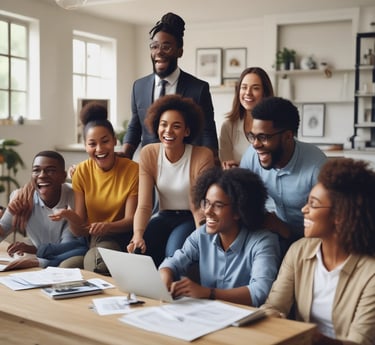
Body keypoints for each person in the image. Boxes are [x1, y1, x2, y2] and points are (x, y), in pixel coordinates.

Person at [261, 158, 375, 345]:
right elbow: (273, 305)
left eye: (313, 204)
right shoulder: (299, 250)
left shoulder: (370, 273)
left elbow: (360, 341)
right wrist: (274, 321)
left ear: (340, 215)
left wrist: (307, 337)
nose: (304, 209)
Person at [159, 167, 281, 307]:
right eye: (206, 203)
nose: (207, 212)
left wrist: (209, 293)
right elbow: (172, 263)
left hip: (246, 320)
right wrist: (165, 277)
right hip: (208, 315)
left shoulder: (263, 242)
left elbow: (260, 292)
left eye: (218, 205)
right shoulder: (202, 235)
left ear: (238, 210)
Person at [127, 94, 215, 267]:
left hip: (189, 218)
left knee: (173, 255)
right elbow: (144, 206)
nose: (168, 131)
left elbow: (200, 206)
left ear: (187, 131)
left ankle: (170, 290)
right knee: (139, 253)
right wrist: (137, 235)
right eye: (163, 124)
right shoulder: (149, 153)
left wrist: (204, 243)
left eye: (176, 126)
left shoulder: (202, 156)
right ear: (156, 126)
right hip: (163, 216)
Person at [51, 102, 139, 273]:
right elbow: (81, 229)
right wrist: (70, 216)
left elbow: (131, 221)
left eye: (105, 141)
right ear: (85, 146)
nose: (99, 149)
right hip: (92, 240)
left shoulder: (132, 170)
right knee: (64, 269)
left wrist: (108, 226)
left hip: (121, 239)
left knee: (96, 263)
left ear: (114, 140)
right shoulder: (82, 171)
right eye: (92, 144)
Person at [122, 12, 218, 160]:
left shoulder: (198, 89)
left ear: (180, 51)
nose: (159, 52)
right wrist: (125, 153)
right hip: (150, 164)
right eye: (154, 46)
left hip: (186, 165)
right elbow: (135, 126)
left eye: (166, 47)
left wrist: (212, 161)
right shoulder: (138, 87)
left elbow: (207, 132)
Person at [239, 97, 327, 250]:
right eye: (253, 136)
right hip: (269, 235)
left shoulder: (317, 168)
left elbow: (328, 228)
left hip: (310, 242)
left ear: (287, 136)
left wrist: (284, 229)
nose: (255, 145)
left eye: (264, 137)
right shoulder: (252, 156)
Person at [0, 151, 87, 270]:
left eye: (50, 170)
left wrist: (37, 257)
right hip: (45, 259)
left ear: (63, 176)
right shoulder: (21, 198)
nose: (42, 175)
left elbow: (75, 245)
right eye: (36, 170)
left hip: (63, 259)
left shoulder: (75, 195)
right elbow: (2, 230)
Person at [219, 67, 274, 169]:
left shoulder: (275, 125)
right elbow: (227, 166)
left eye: (255, 88)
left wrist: (241, 165)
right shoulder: (228, 126)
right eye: (244, 87)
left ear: (265, 93)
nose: (248, 93)